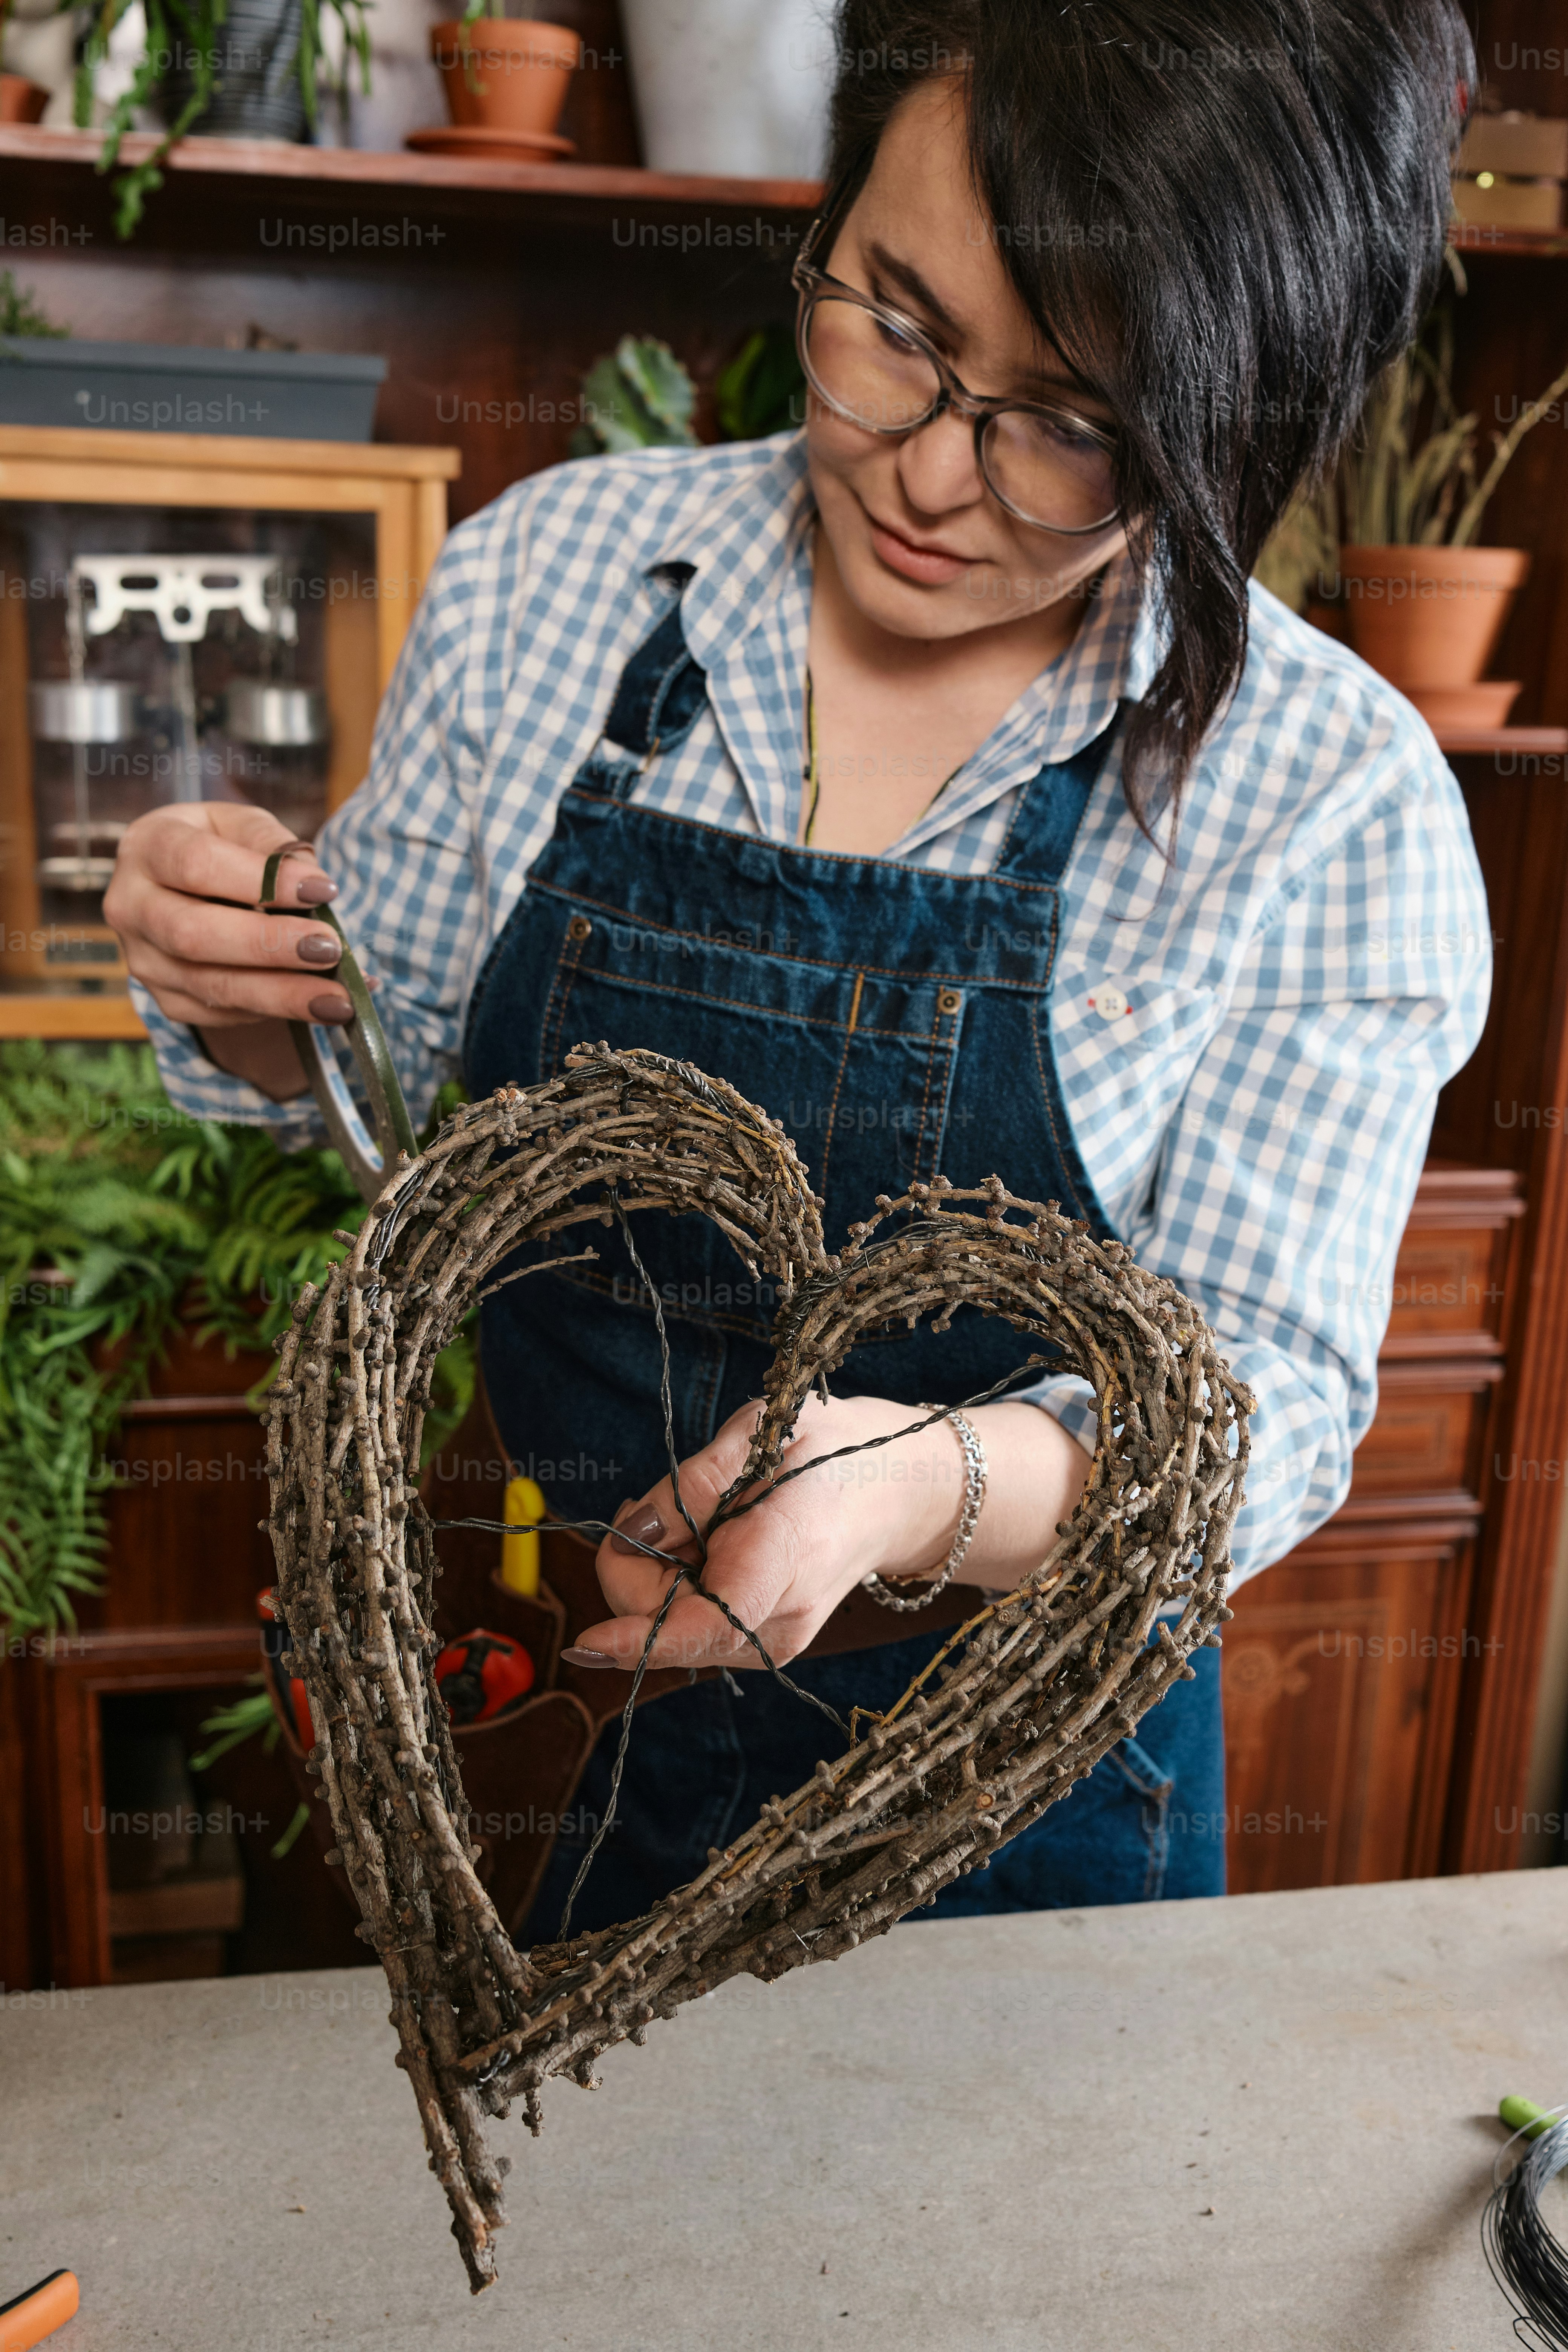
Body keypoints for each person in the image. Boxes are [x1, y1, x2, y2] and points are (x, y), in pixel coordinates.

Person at [107, 0, 1489, 1933]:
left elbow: (1255, 1401)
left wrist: (903, 1484)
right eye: (896, 333)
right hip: (591, 1705)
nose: (930, 475)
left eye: (1073, 427)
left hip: (1035, 1793)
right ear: (826, 217)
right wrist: (252, 983)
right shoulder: (555, 583)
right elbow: (408, 1104)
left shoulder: (1321, 794)